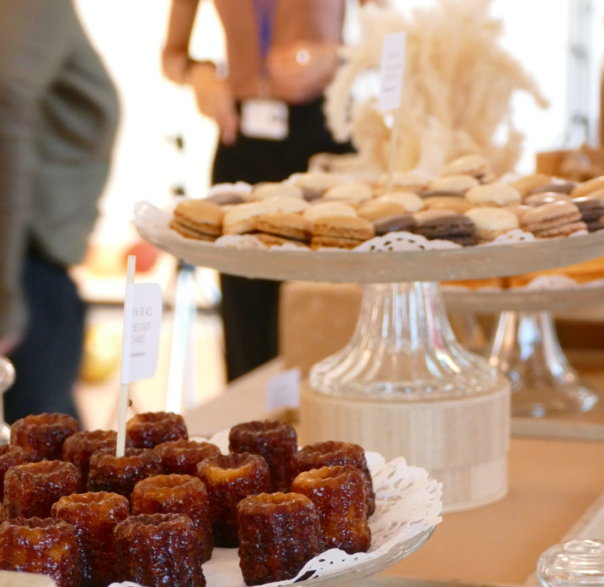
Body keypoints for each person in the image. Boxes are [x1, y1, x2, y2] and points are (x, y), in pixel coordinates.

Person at [161, 0, 358, 382]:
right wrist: (199, 74)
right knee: (245, 318)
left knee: (324, 311)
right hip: (243, 138)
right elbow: (172, 56)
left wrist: (334, 57)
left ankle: (337, 435)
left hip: (322, 135)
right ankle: (253, 436)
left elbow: (395, 34)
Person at [0, 0, 119, 425]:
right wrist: (6, 303)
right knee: (48, 457)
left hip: (31, 258)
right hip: (24, 264)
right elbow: (5, 115)